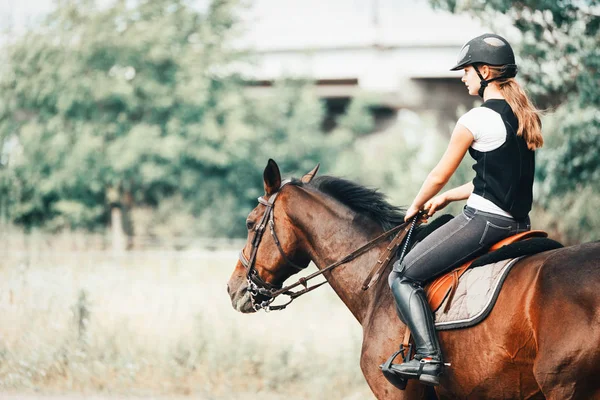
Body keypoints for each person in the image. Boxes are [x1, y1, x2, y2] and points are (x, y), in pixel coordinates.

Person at [383, 33, 544, 387]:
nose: (462, 77)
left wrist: (415, 205)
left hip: (485, 222)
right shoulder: (522, 115)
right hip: (520, 223)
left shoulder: (476, 120)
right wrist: (447, 198)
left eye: (467, 70)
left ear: (485, 71)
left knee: (403, 275)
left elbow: (438, 173)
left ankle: (428, 357)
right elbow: (495, 178)